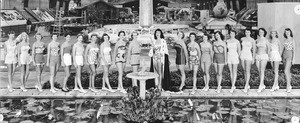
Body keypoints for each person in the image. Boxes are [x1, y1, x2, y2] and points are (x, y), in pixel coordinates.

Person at [240, 29, 256, 93]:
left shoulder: (252, 40)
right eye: (246, 32)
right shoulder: (242, 39)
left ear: (250, 33)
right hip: (243, 54)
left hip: (248, 54)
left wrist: (253, 58)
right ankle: (247, 84)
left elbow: (254, 50)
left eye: (248, 32)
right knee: (244, 70)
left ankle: (246, 85)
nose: (247, 33)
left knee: (247, 70)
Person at [255, 28, 270, 93]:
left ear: (264, 33)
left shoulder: (266, 40)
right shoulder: (257, 40)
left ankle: (260, 86)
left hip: (264, 55)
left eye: (262, 32)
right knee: (259, 71)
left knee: (262, 70)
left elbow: (269, 48)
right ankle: (263, 84)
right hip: (257, 56)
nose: (261, 33)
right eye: (260, 32)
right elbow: (255, 49)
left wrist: (268, 56)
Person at [282, 28, 296, 93]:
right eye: (286, 32)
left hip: (290, 55)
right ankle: (289, 85)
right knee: (287, 72)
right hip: (284, 55)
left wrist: (293, 59)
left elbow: (294, 50)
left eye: (288, 32)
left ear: (290, 32)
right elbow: (283, 49)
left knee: (285, 71)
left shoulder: (292, 40)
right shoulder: (285, 40)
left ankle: (288, 86)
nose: (287, 33)